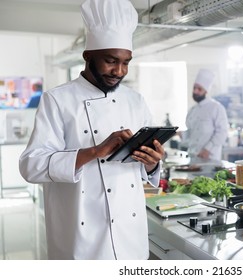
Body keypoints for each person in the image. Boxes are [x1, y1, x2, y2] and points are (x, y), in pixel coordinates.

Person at [19, 0, 164, 260]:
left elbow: (143, 172)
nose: (119, 71)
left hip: (130, 237)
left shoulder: (135, 101)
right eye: (111, 61)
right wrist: (95, 151)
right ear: (87, 56)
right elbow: (31, 165)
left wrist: (152, 163)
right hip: (82, 239)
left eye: (126, 62)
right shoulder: (58, 100)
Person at [180, 69, 229, 161]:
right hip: (193, 157)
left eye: (199, 89)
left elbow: (222, 132)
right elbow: (191, 133)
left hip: (210, 158)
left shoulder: (216, 108)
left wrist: (207, 149)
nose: (195, 91)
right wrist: (178, 133)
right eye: (194, 88)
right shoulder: (192, 110)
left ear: (206, 91)